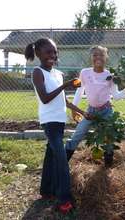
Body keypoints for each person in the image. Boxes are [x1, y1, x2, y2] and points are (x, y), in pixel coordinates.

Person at [25, 38, 85, 214]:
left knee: (51, 155)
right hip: (49, 121)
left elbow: (62, 99)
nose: (52, 55)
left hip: (60, 120)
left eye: (55, 52)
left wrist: (80, 110)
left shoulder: (58, 73)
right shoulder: (37, 72)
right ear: (38, 54)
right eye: (48, 52)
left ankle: (46, 191)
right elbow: (45, 98)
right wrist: (66, 85)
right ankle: (64, 199)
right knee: (61, 159)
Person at [65, 45, 125, 167]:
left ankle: (107, 166)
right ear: (91, 57)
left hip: (106, 111)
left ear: (106, 57)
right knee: (77, 135)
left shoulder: (110, 75)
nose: (98, 57)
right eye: (95, 55)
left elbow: (116, 96)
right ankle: (62, 164)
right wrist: (74, 109)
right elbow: (80, 91)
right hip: (90, 112)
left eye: (101, 55)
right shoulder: (85, 73)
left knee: (108, 139)